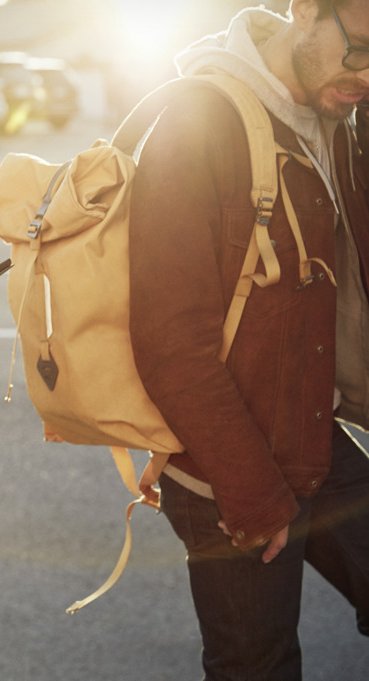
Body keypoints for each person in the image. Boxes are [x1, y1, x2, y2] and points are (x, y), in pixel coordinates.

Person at [128, 1, 369, 678]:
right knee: (257, 664)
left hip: (314, 432)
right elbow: (170, 338)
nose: (368, 75)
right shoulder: (200, 120)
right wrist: (251, 491)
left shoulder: (341, 113)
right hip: (227, 465)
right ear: (304, 12)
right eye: (360, 49)